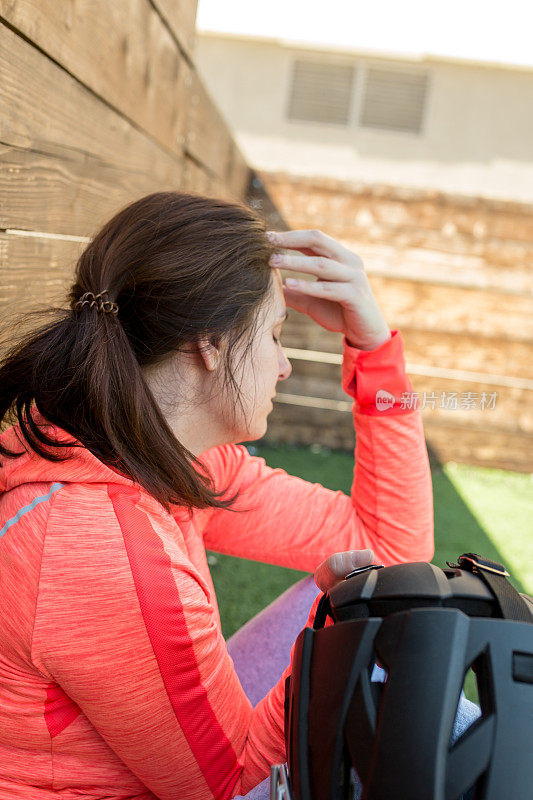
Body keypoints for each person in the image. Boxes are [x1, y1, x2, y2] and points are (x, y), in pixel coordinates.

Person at [0, 191, 435, 799]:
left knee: (388, 610)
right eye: (276, 335)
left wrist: (375, 353)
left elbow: (390, 548)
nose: (283, 366)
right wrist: (332, 634)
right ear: (209, 341)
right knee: (425, 709)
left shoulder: (159, 456)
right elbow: (233, 787)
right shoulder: (97, 548)